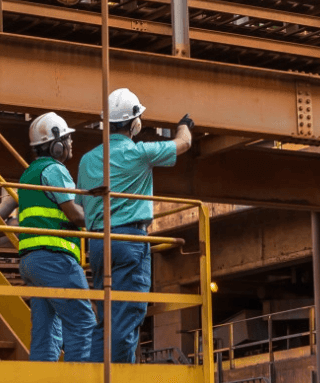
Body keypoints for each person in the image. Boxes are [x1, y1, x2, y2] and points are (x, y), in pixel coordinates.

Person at [77, 88, 193, 363]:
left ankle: (96, 380)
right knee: (127, 315)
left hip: (97, 243)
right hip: (131, 240)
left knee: (106, 317)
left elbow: (82, 204)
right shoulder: (139, 153)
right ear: (134, 123)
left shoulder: (86, 160)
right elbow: (183, 144)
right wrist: (184, 126)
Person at [18, 112, 96, 362]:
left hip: (32, 262)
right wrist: (103, 216)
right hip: (55, 258)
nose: (71, 143)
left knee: (46, 331)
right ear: (56, 145)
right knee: (83, 323)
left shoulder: (27, 174)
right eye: (67, 139)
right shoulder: (55, 170)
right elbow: (76, 216)